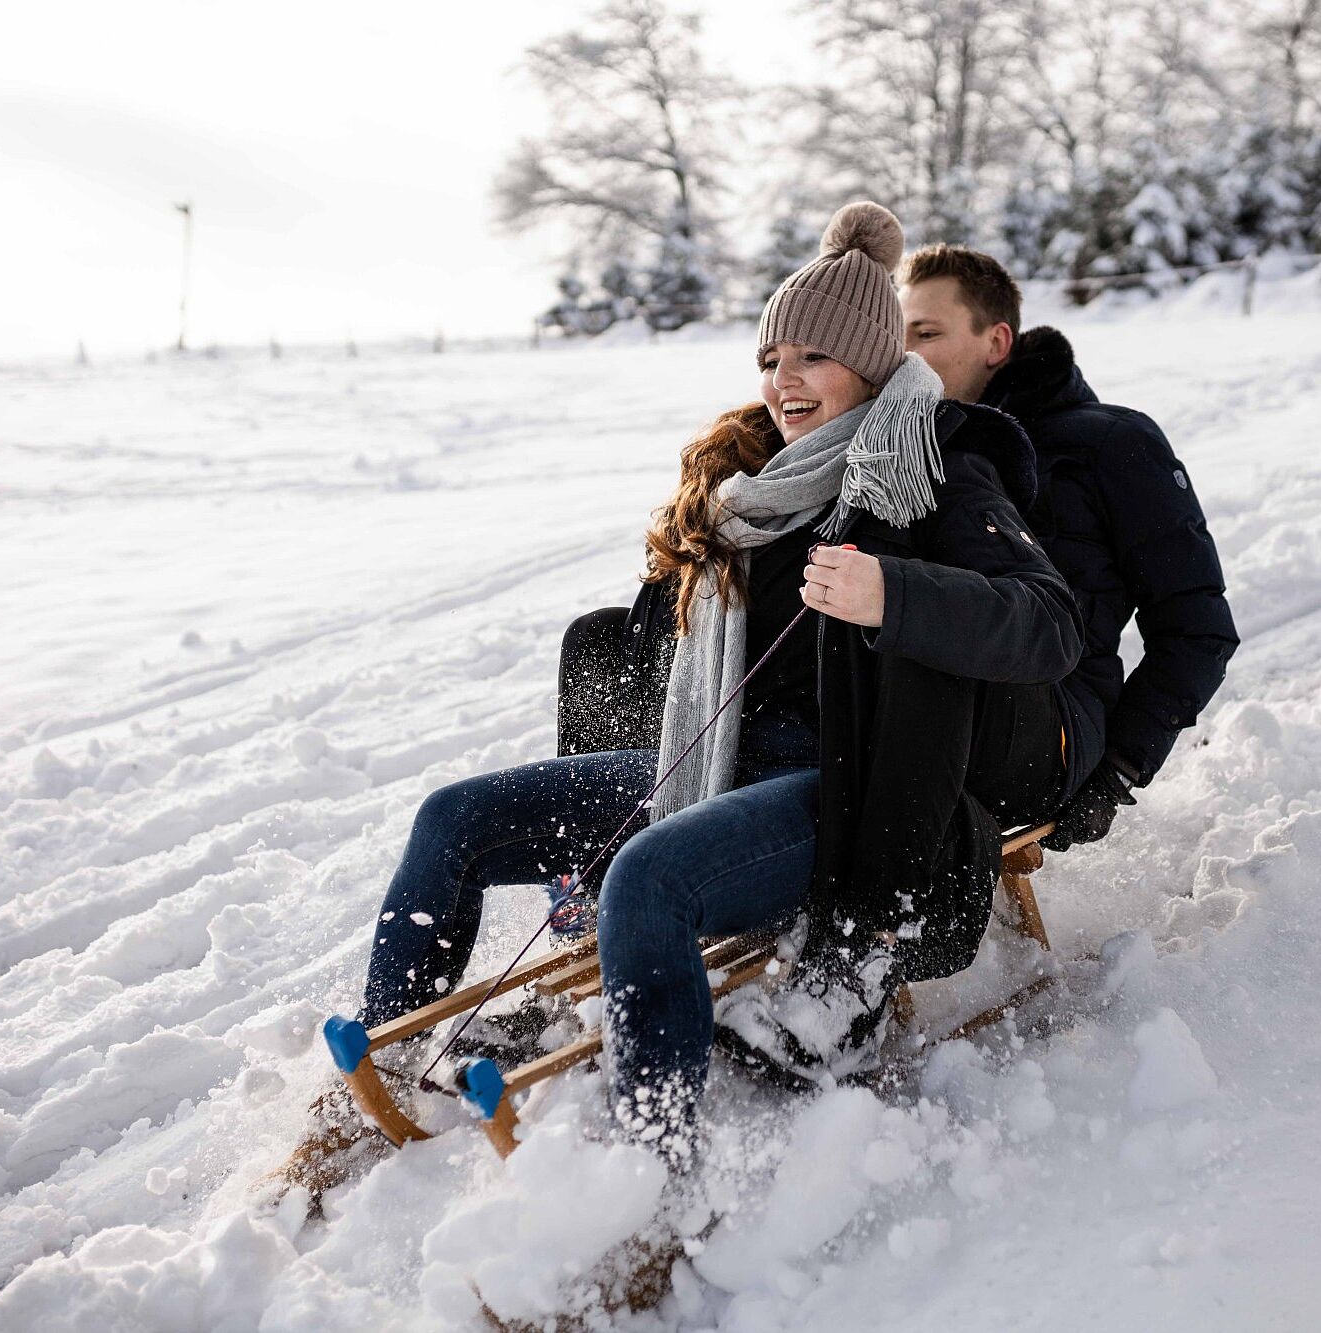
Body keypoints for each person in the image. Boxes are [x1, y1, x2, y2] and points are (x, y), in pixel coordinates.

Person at [358, 202, 1082, 1164]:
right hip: (716, 761)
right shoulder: (755, 493)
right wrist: (689, 566)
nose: (785, 379)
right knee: (454, 819)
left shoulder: (936, 467)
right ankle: (385, 1064)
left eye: (813, 357)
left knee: (648, 876)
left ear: (869, 363)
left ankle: (650, 1159)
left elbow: (1050, 623)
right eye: (771, 358)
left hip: (848, 785)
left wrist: (893, 589)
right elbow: (673, 657)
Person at [897, 248, 1238, 849]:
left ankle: (889, 926)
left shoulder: (1112, 444)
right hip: (938, 717)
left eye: (926, 333)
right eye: (896, 336)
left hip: (1054, 718)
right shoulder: (909, 450)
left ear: (996, 342)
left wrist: (1119, 769)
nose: (905, 355)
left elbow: (1196, 626)